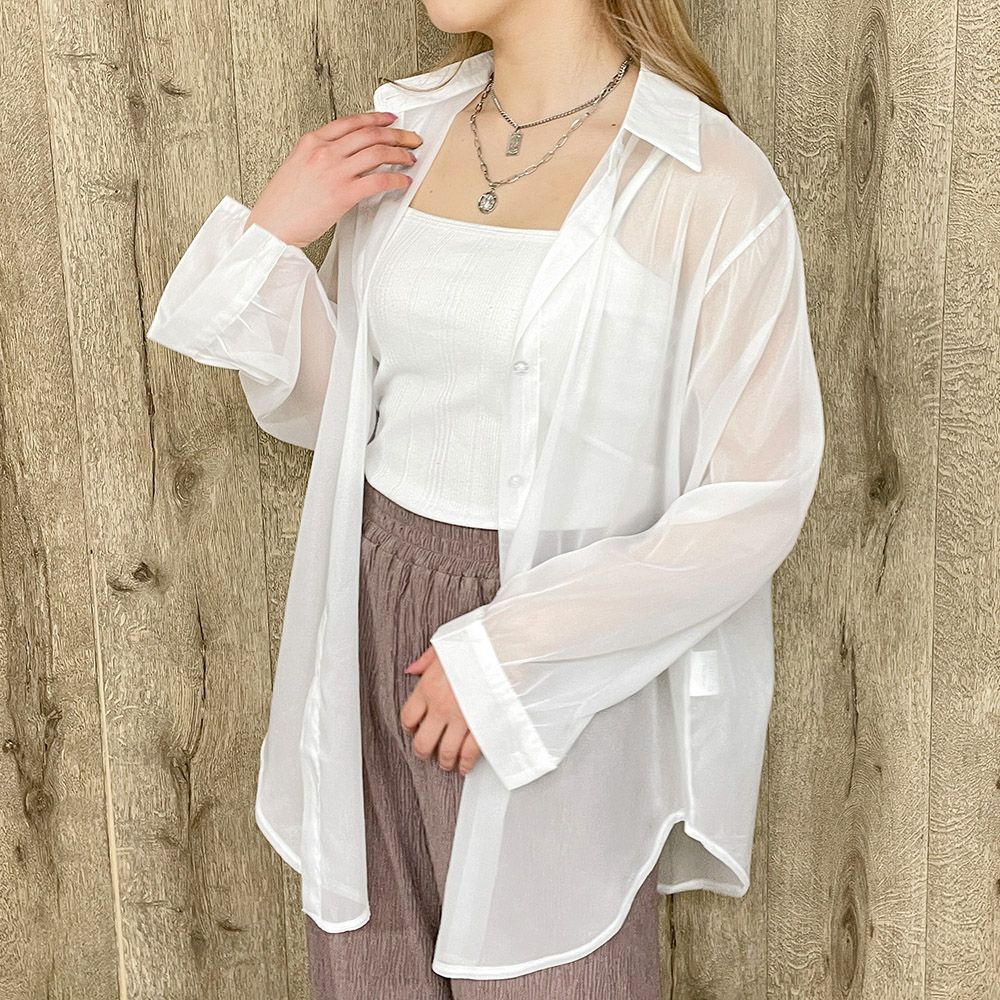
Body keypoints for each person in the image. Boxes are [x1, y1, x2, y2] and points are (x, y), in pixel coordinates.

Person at [145, 1, 826, 997]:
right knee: (373, 970)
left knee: (548, 965)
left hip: (558, 640)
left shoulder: (703, 177)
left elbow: (756, 493)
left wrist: (511, 655)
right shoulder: (405, 133)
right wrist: (269, 242)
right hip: (372, 606)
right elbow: (347, 414)